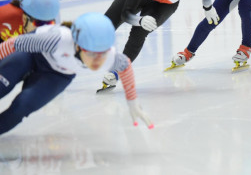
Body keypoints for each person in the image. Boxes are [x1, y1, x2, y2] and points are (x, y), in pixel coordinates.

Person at [0, 12, 153, 134]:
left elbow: (125, 67)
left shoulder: (110, 58)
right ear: (78, 46)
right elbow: (13, 44)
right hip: (32, 55)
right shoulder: (57, 40)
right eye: (91, 54)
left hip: (58, 74)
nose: (97, 60)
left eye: (103, 53)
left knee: (22, 107)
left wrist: (132, 103)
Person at [100, 0, 218, 90]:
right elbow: (125, 14)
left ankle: (116, 71)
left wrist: (208, 7)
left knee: (139, 33)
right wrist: (140, 20)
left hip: (165, 5)